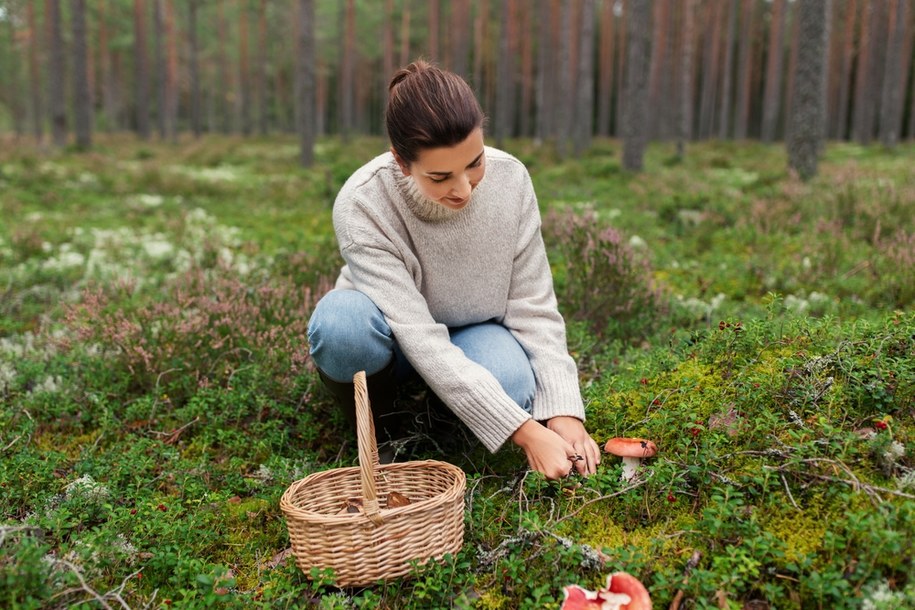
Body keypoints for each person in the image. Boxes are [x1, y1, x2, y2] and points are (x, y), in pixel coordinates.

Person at [307, 60, 601, 480]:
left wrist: (562, 412)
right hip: (394, 339)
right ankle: (383, 428)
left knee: (513, 381)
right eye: (441, 175)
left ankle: (447, 418)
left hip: (475, 331)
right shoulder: (363, 205)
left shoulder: (512, 180)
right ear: (402, 162)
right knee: (339, 327)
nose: (463, 189)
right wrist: (523, 431)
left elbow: (533, 304)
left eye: (475, 163)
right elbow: (420, 338)